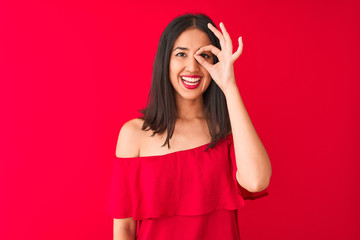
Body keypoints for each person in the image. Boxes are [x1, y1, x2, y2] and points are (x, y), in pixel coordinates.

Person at [105, 13, 272, 240]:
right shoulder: (134, 134)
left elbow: (256, 181)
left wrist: (229, 85)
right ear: (166, 60)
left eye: (204, 55)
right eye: (181, 54)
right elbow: (124, 229)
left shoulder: (228, 131)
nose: (192, 66)